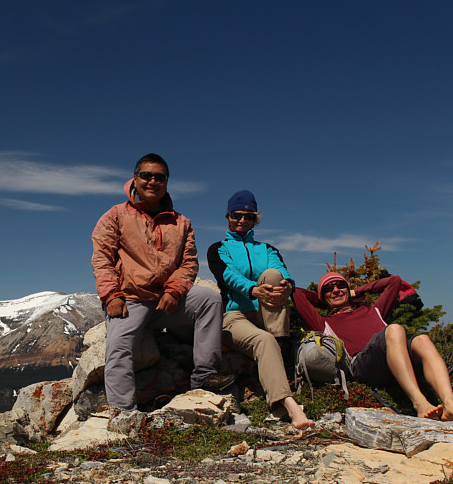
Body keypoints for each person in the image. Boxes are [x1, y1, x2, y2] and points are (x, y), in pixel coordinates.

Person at [91, 153, 234, 411]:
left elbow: (189, 263)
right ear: (135, 179)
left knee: (209, 299)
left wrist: (175, 291)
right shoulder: (115, 215)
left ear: (166, 182)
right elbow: (102, 258)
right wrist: (111, 295)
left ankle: (204, 375)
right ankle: (123, 412)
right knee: (118, 348)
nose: (152, 181)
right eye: (146, 175)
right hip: (130, 299)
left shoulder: (181, 223)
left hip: (167, 301)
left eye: (160, 177)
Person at [292, 272, 453, 421]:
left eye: (341, 286)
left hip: (395, 358)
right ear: (322, 296)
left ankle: (451, 405)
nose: (336, 290)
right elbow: (297, 294)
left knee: (422, 340)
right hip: (363, 365)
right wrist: (322, 299)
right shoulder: (324, 323)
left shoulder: (374, 311)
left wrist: (356, 291)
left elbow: (394, 282)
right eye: (329, 289)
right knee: (394, 329)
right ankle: (420, 403)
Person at [207, 190, 314, 429]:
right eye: (237, 215)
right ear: (228, 216)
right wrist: (253, 290)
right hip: (235, 316)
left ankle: (280, 341)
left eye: (248, 217)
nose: (242, 221)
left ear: (255, 220)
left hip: (267, 313)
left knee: (275, 275)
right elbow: (227, 276)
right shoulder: (219, 249)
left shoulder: (267, 249)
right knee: (264, 340)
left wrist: (287, 286)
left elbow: (281, 271)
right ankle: (288, 403)